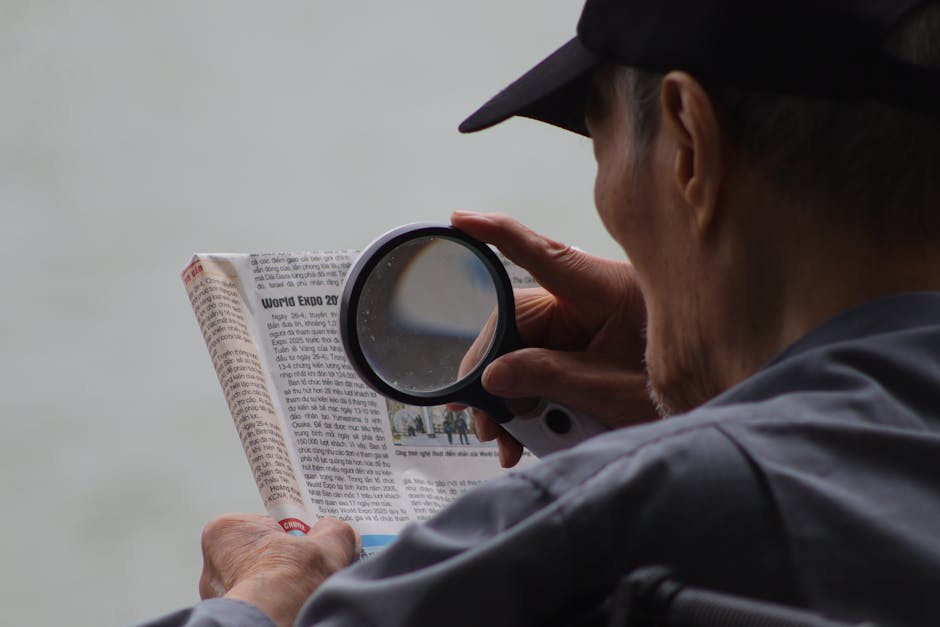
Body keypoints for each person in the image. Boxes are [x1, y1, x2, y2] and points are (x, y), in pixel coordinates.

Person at [142, 0, 940, 625]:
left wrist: (260, 600)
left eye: (598, 136)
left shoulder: (584, 531)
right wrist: (732, 379)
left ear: (690, 144)